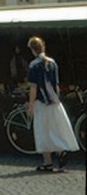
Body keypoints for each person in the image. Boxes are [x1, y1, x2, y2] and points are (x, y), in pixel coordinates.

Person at [26, 36, 79, 172]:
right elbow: (56, 85)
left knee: (42, 130)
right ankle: (61, 150)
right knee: (56, 128)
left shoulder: (33, 65)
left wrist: (30, 104)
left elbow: (34, 87)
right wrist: (57, 98)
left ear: (32, 49)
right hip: (54, 101)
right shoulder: (52, 63)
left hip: (41, 102)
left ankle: (47, 161)